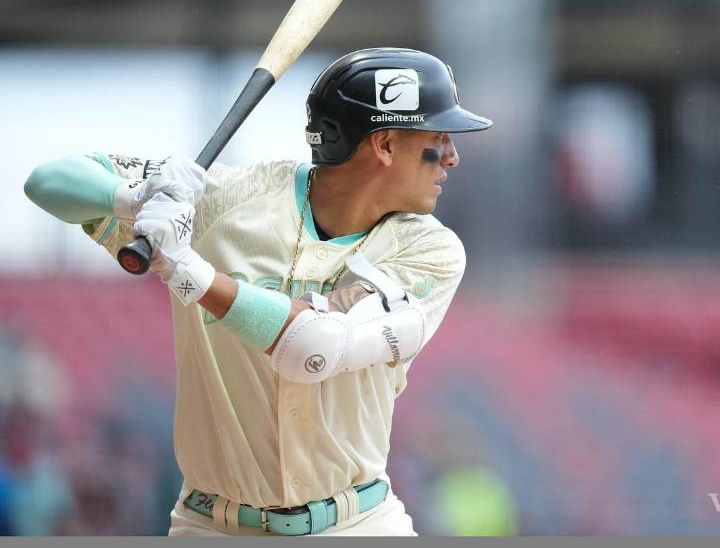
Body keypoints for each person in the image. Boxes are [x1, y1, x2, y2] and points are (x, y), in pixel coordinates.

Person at [24, 48, 492, 536]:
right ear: (386, 144)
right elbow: (46, 182)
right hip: (212, 526)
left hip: (358, 524)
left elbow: (312, 347)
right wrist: (136, 199)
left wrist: (187, 269)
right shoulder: (226, 198)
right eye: (438, 138)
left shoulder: (430, 250)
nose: (452, 157)